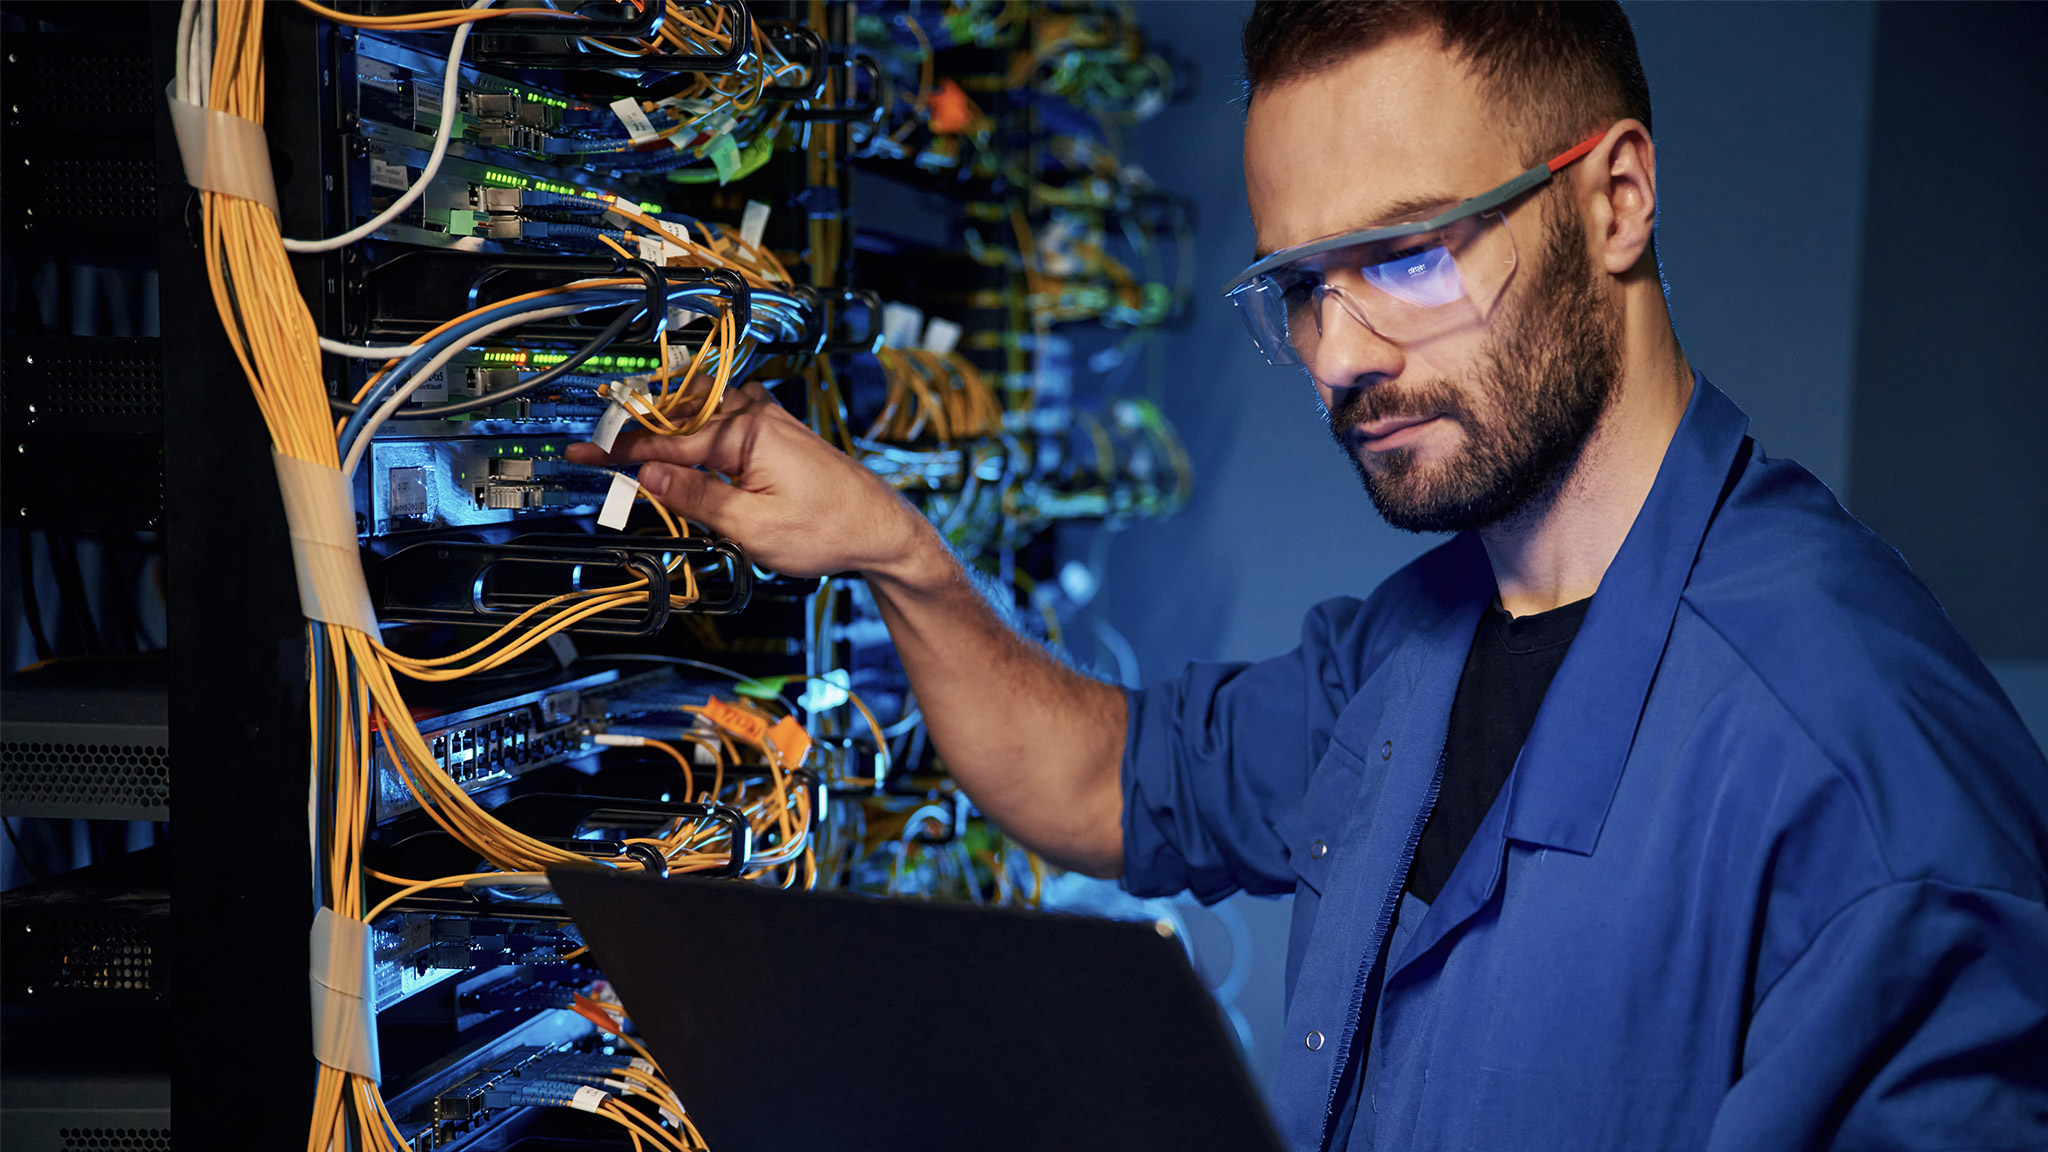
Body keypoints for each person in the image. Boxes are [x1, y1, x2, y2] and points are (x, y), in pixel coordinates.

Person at [570, 2, 2048, 1147]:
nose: (1339, 357)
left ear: (1615, 200)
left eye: (1405, 255)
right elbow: (1105, 779)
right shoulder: (1415, 649)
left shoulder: (1862, 784)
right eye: (1301, 287)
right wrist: (900, 553)